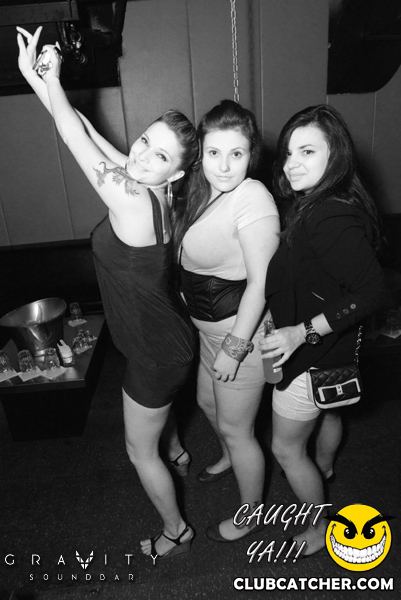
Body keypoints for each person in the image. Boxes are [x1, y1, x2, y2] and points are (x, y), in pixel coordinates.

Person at [17, 26, 200, 561]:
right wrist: (39, 80)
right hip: (167, 337)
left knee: (137, 451)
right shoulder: (149, 190)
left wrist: (52, 80)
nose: (141, 155)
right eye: (144, 140)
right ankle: (177, 450)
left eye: (160, 156)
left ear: (177, 174)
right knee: (161, 424)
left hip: (155, 352)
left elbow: (73, 137)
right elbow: (87, 130)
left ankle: (176, 531)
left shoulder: (133, 200)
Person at [259, 104, 388, 556]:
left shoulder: (327, 215)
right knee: (331, 413)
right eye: (289, 152)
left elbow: (372, 292)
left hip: (312, 357)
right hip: (337, 351)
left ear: (336, 155)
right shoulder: (325, 202)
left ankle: (319, 528)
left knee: (285, 450)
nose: (291, 163)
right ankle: (325, 469)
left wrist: (301, 332)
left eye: (307, 151)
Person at [174, 100, 280, 542]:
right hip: (209, 334)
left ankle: (251, 513)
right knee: (207, 403)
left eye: (236, 153)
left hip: (244, 338)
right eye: (214, 152)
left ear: (250, 154)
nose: (224, 165)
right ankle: (230, 457)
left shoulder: (253, 197)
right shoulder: (202, 190)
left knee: (238, 430)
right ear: (200, 152)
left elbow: (261, 284)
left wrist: (235, 349)